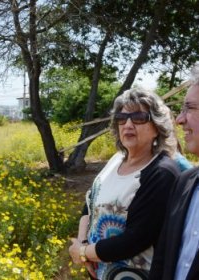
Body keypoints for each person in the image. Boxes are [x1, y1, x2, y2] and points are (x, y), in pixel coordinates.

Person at [69, 87, 181, 279]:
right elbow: (90, 203)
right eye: (122, 118)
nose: (128, 124)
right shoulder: (117, 159)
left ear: (156, 127)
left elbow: (136, 239)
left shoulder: (161, 173)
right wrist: (82, 241)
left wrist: (83, 252)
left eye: (138, 118)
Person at [149, 63, 199, 280]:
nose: (179, 120)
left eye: (190, 108)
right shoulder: (185, 182)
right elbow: (162, 259)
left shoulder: (169, 172)